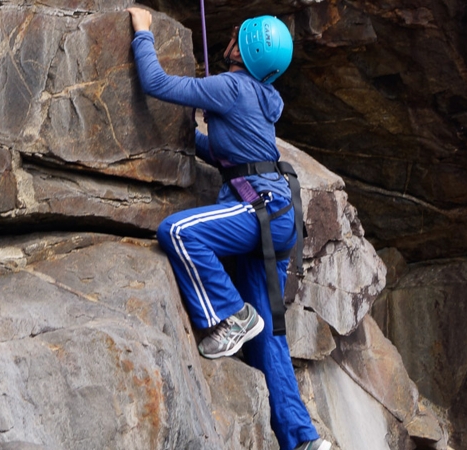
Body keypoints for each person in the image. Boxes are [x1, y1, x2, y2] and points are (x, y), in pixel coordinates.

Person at [126, 7, 331, 450]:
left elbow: (157, 84)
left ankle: (230, 315)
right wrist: (186, 143)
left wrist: (142, 31)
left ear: (244, 49)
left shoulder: (230, 86)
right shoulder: (259, 94)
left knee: (179, 233)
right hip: (274, 216)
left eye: (237, 35)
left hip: (261, 210)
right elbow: (227, 152)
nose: (230, 37)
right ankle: (304, 440)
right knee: (269, 344)